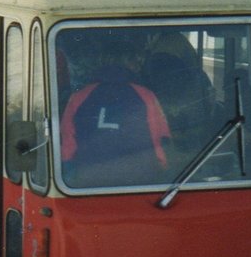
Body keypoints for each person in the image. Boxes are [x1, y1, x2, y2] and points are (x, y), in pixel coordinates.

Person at [60, 33, 172, 187]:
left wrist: (71, 173)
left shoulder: (78, 97)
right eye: (137, 62)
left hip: (89, 180)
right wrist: (163, 170)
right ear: (131, 64)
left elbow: (68, 145)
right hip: (138, 180)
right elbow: (159, 138)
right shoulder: (145, 95)